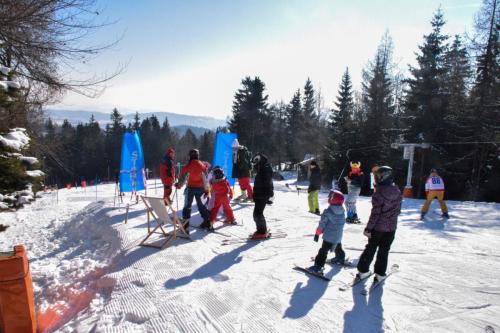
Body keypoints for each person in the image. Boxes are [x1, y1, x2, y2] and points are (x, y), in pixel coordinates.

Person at [356, 166, 402, 282]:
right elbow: (398, 210)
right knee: (384, 250)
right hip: (391, 227)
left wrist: (368, 228)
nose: (376, 179)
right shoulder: (396, 190)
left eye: (378, 176)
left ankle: (363, 271)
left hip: (378, 228)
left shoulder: (379, 193)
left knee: (371, 248)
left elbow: (376, 213)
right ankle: (380, 273)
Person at [308, 190, 347, 274]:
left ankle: (318, 266)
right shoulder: (343, 212)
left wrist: (317, 233)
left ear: (333, 200)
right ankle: (340, 257)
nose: (329, 198)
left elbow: (322, 224)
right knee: (338, 246)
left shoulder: (328, 212)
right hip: (338, 236)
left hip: (329, 237)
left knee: (323, 251)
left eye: (330, 197)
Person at [176, 149, 210, 232]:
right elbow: (205, 179)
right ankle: (207, 222)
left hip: (190, 189)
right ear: (198, 155)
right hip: (200, 189)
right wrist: (206, 190)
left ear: (190, 156)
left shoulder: (187, 167)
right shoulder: (202, 166)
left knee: (187, 207)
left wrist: (179, 185)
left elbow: (183, 178)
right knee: (201, 206)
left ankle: (185, 226)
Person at [251, 153, 274, 239]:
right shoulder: (262, 169)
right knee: (257, 214)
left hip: (263, 195)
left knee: (258, 214)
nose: (255, 166)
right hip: (259, 195)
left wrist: (269, 194)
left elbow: (268, 182)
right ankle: (260, 229)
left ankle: (262, 230)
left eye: (256, 163)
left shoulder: (266, 169)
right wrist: (254, 195)